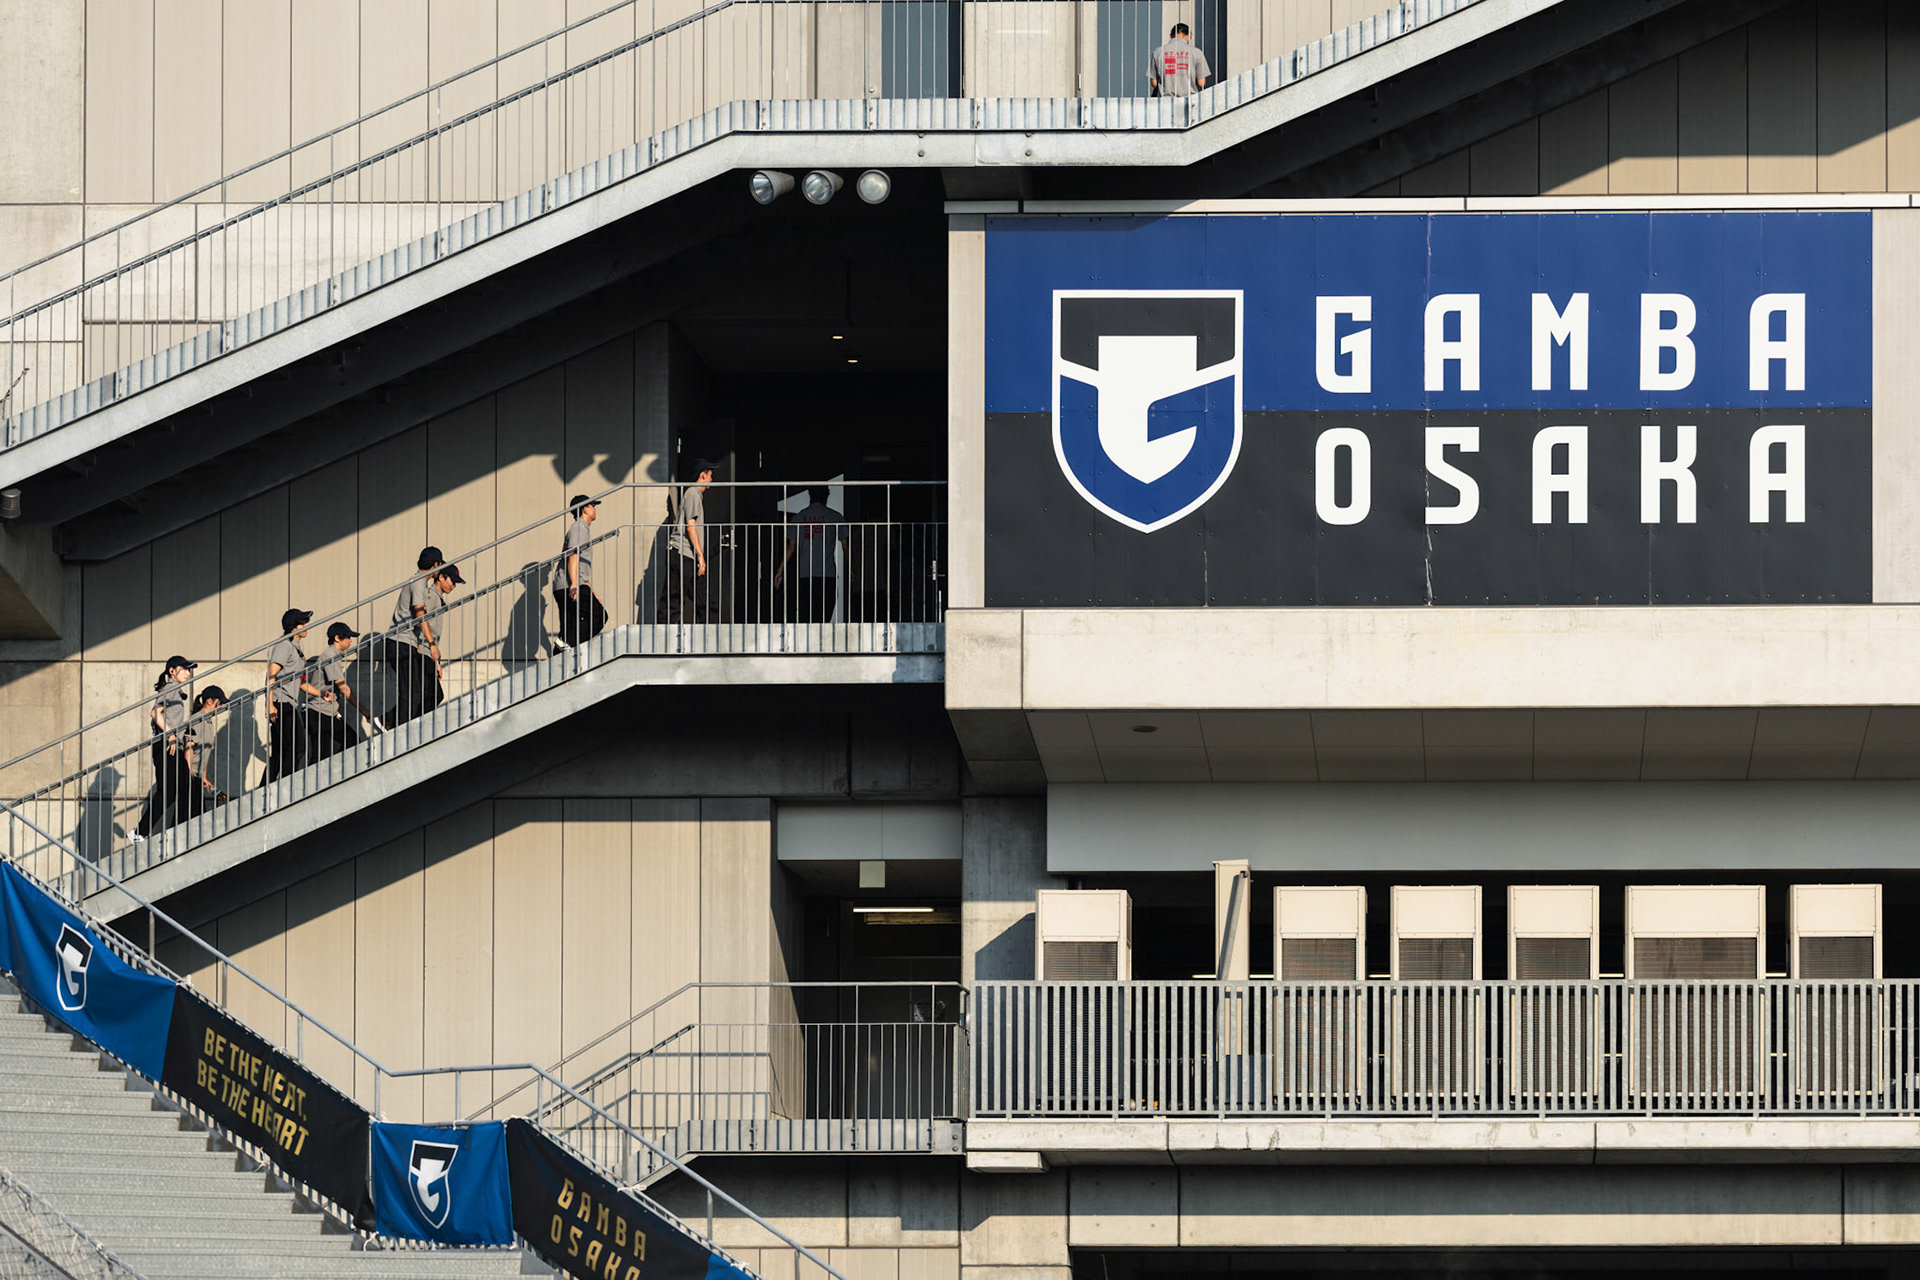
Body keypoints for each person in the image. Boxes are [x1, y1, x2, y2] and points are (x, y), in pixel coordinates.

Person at [385, 549, 466, 726]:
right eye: (453, 581)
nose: (454, 586)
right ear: (437, 569)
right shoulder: (423, 588)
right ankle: (396, 725)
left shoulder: (421, 584)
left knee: (420, 693)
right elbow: (421, 618)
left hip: (411, 644)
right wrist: (430, 646)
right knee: (417, 693)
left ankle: (403, 724)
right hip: (407, 643)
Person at [131, 656, 195, 843]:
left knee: (184, 788)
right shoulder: (170, 688)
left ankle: (180, 830)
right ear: (172, 671)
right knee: (168, 791)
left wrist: (181, 733)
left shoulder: (176, 690)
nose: (187, 673)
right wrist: (171, 734)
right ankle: (140, 832)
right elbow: (154, 713)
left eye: (188, 669)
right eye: (183, 669)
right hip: (167, 745)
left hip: (174, 745)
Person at [262, 609, 325, 787]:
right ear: (293, 627)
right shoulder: (284, 646)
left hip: (289, 702)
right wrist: (270, 704)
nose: (305, 626)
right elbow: (271, 674)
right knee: (297, 748)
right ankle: (285, 786)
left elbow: (301, 683)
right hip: (281, 703)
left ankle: (265, 787)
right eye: (302, 623)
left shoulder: (296, 649)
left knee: (282, 752)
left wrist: (321, 694)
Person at [773, 487, 849, 624]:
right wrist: (851, 568)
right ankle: (820, 642)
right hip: (827, 573)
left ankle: (807, 643)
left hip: (805, 574)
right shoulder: (835, 516)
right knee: (824, 616)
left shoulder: (799, 517)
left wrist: (780, 571)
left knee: (807, 616)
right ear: (827, 497)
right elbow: (845, 545)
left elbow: (791, 547)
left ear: (810, 496)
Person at [310, 622, 375, 760]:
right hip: (319, 713)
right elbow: (343, 688)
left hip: (327, 712)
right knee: (320, 755)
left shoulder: (334, 656)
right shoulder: (330, 657)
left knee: (349, 742)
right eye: (348, 637)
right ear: (337, 638)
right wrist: (364, 710)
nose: (350, 641)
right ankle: (321, 777)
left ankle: (332, 772)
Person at [661, 460, 715, 624]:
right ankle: (666, 632)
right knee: (675, 598)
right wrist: (701, 556)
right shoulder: (692, 493)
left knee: (703, 598)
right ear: (702, 475)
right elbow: (691, 527)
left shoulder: (694, 495)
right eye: (710, 476)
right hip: (682, 554)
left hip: (688, 555)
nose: (712, 480)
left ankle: (708, 631)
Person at [554, 494, 609, 647]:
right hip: (569, 585)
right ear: (585, 509)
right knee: (599, 617)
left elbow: (579, 565)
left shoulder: (579, 528)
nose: (595, 509)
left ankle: (562, 649)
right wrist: (574, 585)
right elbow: (573, 555)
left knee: (567, 629)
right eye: (593, 506)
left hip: (565, 584)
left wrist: (590, 588)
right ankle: (569, 643)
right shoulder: (580, 528)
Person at [173, 685, 230, 826]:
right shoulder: (197, 720)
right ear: (209, 701)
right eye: (219, 702)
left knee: (193, 817)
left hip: (196, 777)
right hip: (189, 776)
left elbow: (204, 752)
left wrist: (203, 777)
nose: (221, 706)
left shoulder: (208, 721)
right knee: (185, 817)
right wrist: (188, 775)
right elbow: (189, 748)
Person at [1150, 22, 1210, 97]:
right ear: (1189, 36)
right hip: (1189, 101)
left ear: (1171, 36)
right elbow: (1201, 83)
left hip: (1165, 102)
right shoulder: (1197, 52)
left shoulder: (1158, 52)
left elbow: (1154, 83)